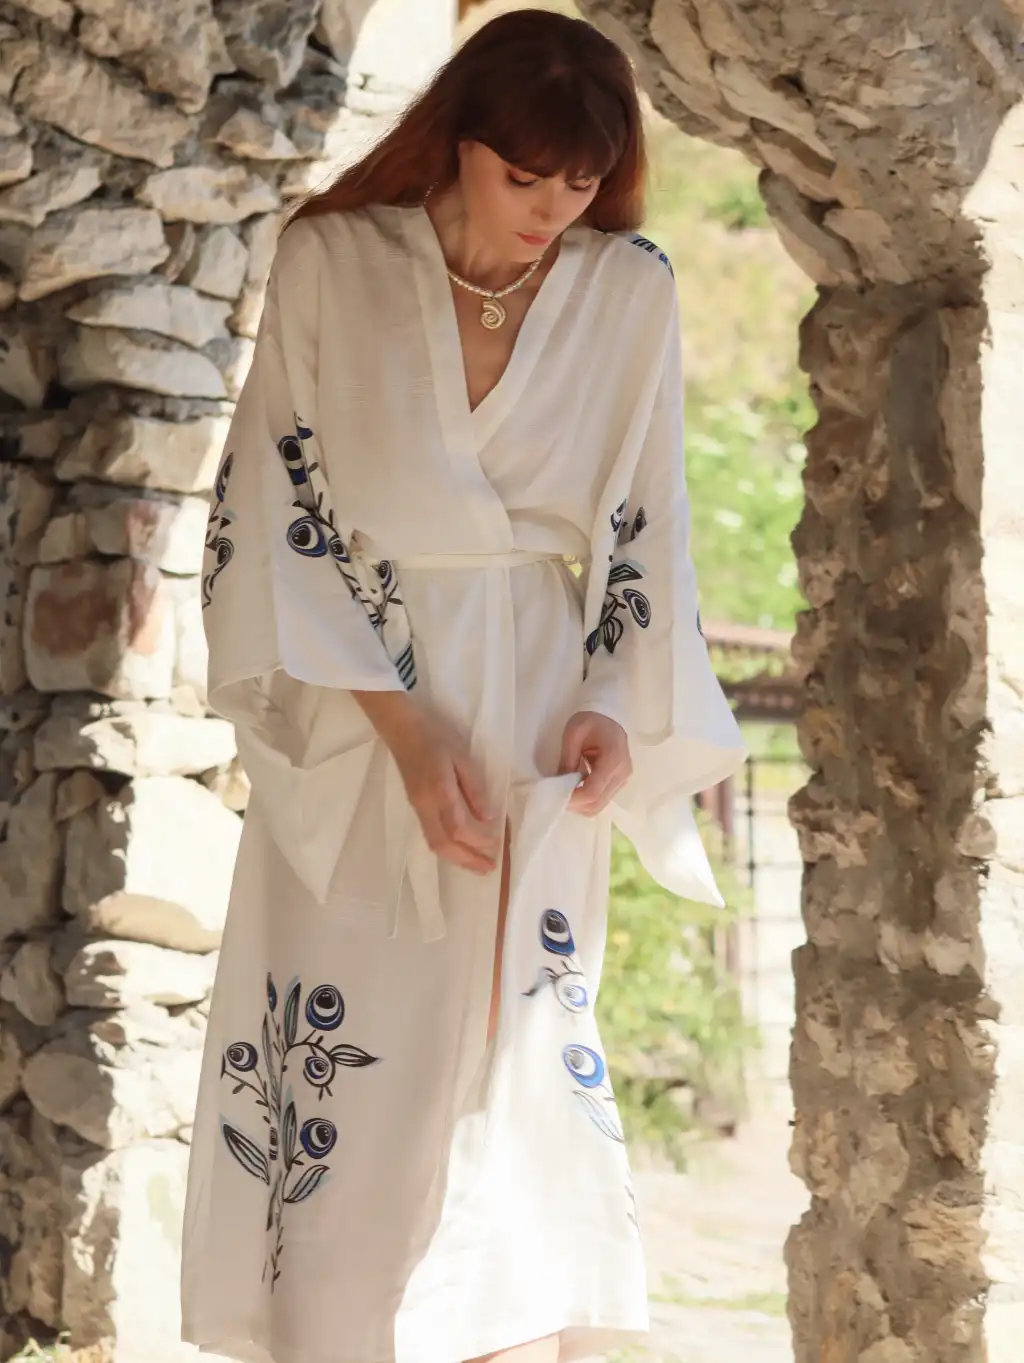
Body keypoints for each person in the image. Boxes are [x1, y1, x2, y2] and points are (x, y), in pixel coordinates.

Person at [181, 10, 746, 1363]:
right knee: (358, 1029)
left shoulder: (630, 288)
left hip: (540, 706)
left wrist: (612, 698)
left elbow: (649, 518)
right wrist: (403, 726)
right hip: (357, 706)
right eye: (522, 175)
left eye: (579, 183)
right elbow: (277, 507)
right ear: (459, 141)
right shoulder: (333, 263)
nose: (550, 209)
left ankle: (504, 1342)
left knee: (514, 1052)